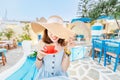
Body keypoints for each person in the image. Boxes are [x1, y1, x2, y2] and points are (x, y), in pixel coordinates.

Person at [31, 15, 75, 80]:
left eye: (57, 31)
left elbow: (64, 69)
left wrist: (68, 50)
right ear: (46, 31)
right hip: (44, 76)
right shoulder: (41, 43)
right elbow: (38, 67)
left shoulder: (64, 44)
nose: (54, 35)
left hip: (60, 76)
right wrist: (39, 57)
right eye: (51, 30)